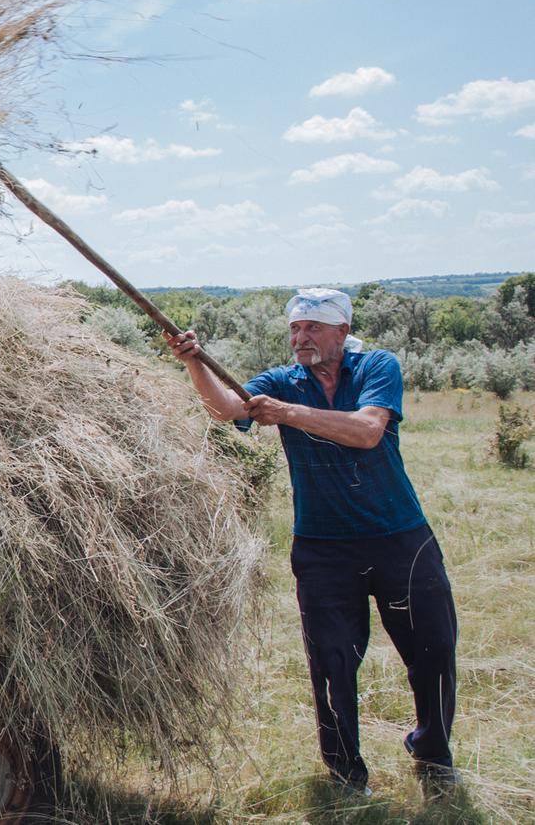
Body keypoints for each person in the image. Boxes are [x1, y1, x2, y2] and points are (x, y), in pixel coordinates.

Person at [167, 289, 457, 800]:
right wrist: (196, 365)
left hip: (400, 539)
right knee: (331, 662)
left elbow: (368, 431)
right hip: (323, 548)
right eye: (296, 329)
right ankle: (346, 774)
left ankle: (432, 753)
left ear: (342, 332)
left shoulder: (376, 367)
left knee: (433, 650)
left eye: (313, 329)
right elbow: (229, 410)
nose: (301, 338)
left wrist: (289, 414)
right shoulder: (283, 380)